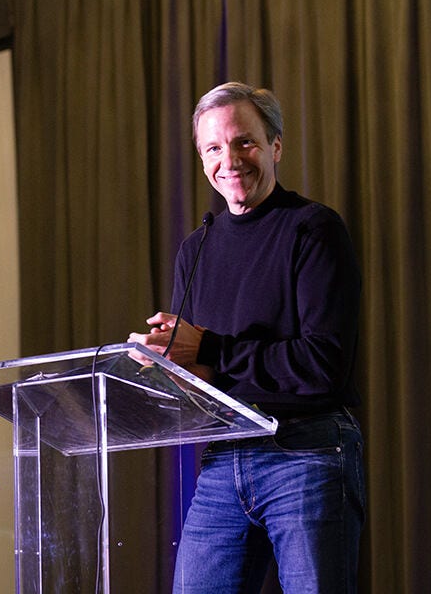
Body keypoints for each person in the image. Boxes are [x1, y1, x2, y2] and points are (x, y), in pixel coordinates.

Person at [128, 82, 365, 593]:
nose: (230, 161)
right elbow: (204, 374)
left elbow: (323, 364)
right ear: (201, 158)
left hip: (307, 452)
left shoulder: (313, 229)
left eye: (245, 142)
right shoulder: (196, 248)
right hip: (223, 457)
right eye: (213, 148)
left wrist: (207, 347)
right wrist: (167, 366)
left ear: (275, 146)